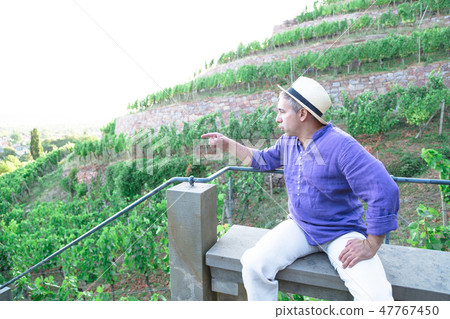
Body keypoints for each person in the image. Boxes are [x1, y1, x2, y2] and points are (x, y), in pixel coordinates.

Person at [201, 76, 399, 301]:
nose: (277, 119)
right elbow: (263, 160)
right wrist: (228, 143)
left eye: (282, 112)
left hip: (341, 232)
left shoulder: (342, 146)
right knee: (253, 265)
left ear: (302, 114)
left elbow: (384, 189)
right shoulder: (289, 141)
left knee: (377, 299)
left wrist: (372, 243)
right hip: (300, 227)